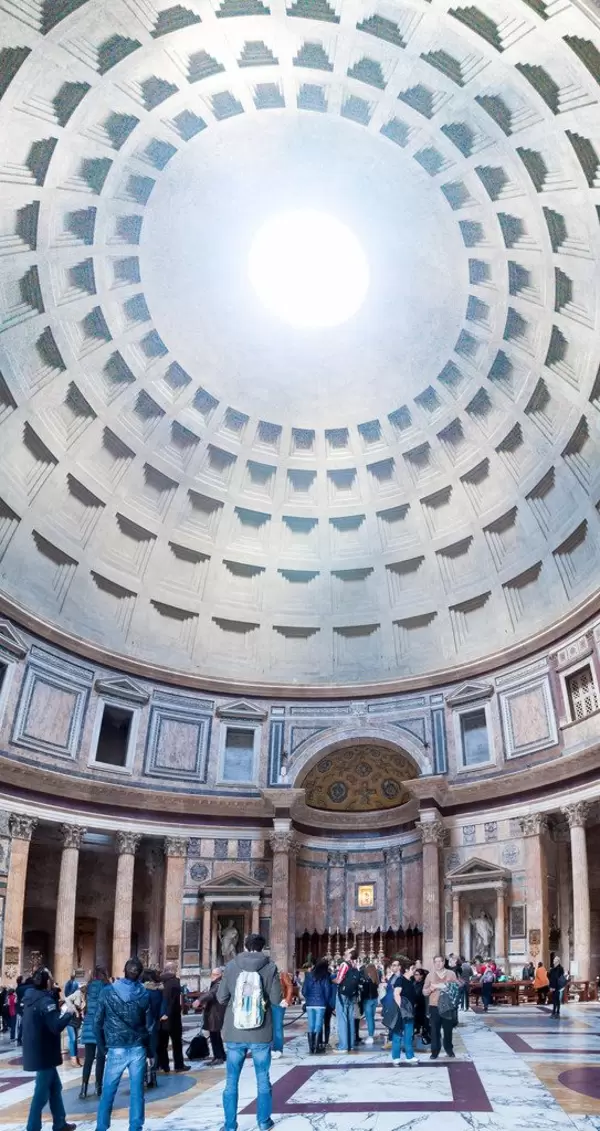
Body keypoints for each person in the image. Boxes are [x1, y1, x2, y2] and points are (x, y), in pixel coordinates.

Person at [217, 932, 282, 1131]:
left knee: (231, 1081)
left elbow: (221, 997)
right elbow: (276, 1000)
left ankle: (229, 1126)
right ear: (263, 947)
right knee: (262, 1078)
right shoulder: (270, 967)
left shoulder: (230, 966)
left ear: (244, 947)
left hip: (235, 1031)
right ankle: (263, 1122)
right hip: (261, 1031)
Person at [94, 956, 153, 1131]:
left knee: (108, 1093)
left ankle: (101, 1127)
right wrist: (149, 1050)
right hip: (137, 1048)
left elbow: (97, 1022)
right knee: (137, 1093)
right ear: (140, 974)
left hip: (116, 1047)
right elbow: (148, 1025)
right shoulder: (144, 994)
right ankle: (135, 1127)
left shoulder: (107, 991)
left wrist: (102, 1046)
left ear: (124, 972)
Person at [22, 966, 77, 1131]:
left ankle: (60, 1123)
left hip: (36, 1050)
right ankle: (32, 1128)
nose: (53, 980)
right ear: (46, 982)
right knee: (40, 1095)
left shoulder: (30, 996)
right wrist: (69, 1013)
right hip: (44, 1054)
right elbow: (55, 1026)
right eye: (51, 978)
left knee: (55, 1088)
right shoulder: (45, 1001)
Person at [79, 966, 109, 1099]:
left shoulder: (88, 987)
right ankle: (98, 1087)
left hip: (88, 1025)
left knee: (88, 1059)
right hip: (101, 1025)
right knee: (101, 1058)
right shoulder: (106, 987)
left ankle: (83, 1088)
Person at [423, 955, 458, 1059]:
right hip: (434, 1006)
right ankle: (435, 1051)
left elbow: (455, 988)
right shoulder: (429, 975)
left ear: (443, 963)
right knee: (434, 1030)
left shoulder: (451, 974)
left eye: (440, 961)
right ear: (434, 963)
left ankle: (449, 1049)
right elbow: (424, 992)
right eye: (436, 962)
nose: (438, 964)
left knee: (448, 1030)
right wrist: (430, 989)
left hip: (448, 1006)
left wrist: (441, 986)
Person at [157, 963, 190, 1073]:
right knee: (176, 1043)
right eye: (176, 968)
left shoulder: (159, 981)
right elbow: (171, 1001)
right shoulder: (174, 982)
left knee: (162, 1043)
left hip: (160, 1017)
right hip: (173, 1017)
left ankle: (164, 1065)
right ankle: (179, 1065)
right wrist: (168, 1013)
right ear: (173, 970)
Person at [386, 962, 419, 1066]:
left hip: (409, 1011)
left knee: (408, 1035)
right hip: (401, 1011)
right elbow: (396, 994)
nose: (414, 971)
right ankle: (396, 1057)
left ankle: (410, 1056)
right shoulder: (400, 980)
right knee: (397, 1034)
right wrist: (401, 1008)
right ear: (407, 969)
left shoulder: (410, 981)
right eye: (412, 968)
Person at [302, 959, 331, 1054]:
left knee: (311, 1025)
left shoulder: (308, 975)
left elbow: (304, 991)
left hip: (310, 1004)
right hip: (321, 1003)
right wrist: (325, 1001)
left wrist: (308, 999)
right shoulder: (325, 976)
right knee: (318, 1024)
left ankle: (311, 1048)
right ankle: (316, 1047)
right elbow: (327, 991)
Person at [335, 949, 361, 1053]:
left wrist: (330, 980)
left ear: (349, 954)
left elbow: (339, 980)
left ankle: (343, 1046)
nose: (346, 950)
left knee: (342, 1019)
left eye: (348, 950)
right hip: (352, 995)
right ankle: (350, 1044)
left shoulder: (344, 964)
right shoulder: (354, 966)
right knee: (350, 1019)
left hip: (343, 994)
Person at [200, 968, 226, 1065]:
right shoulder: (216, 983)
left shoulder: (218, 984)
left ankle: (218, 1057)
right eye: (212, 974)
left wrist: (199, 1000)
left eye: (214, 974)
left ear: (219, 975)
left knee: (214, 1036)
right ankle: (221, 1055)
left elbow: (211, 994)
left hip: (215, 1014)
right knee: (216, 1035)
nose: (212, 976)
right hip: (213, 1012)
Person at [272, 971, 293, 1059]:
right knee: (269, 1027)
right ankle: (271, 1048)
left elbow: (289, 986)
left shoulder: (282, 974)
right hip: (266, 1003)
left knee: (277, 1026)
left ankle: (278, 1049)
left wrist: (287, 1000)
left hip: (279, 1003)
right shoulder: (264, 973)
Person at [63, 972, 80, 1067]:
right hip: (70, 1016)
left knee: (75, 1039)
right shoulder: (75, 989)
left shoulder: (76, 986)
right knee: (73, 1038)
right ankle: (73, 1059)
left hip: (75, 1018)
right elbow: (67, 997)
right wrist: (75, 1009)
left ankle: (75, 1058)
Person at [361, 964, 379, 1045]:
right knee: (371, 1019)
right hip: (375, 1000)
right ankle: (371, 1035)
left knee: (369, 1020)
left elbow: (365, 992)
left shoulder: (367, 980)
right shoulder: (375, 979)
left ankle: (370, 1036)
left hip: (368, 1000)